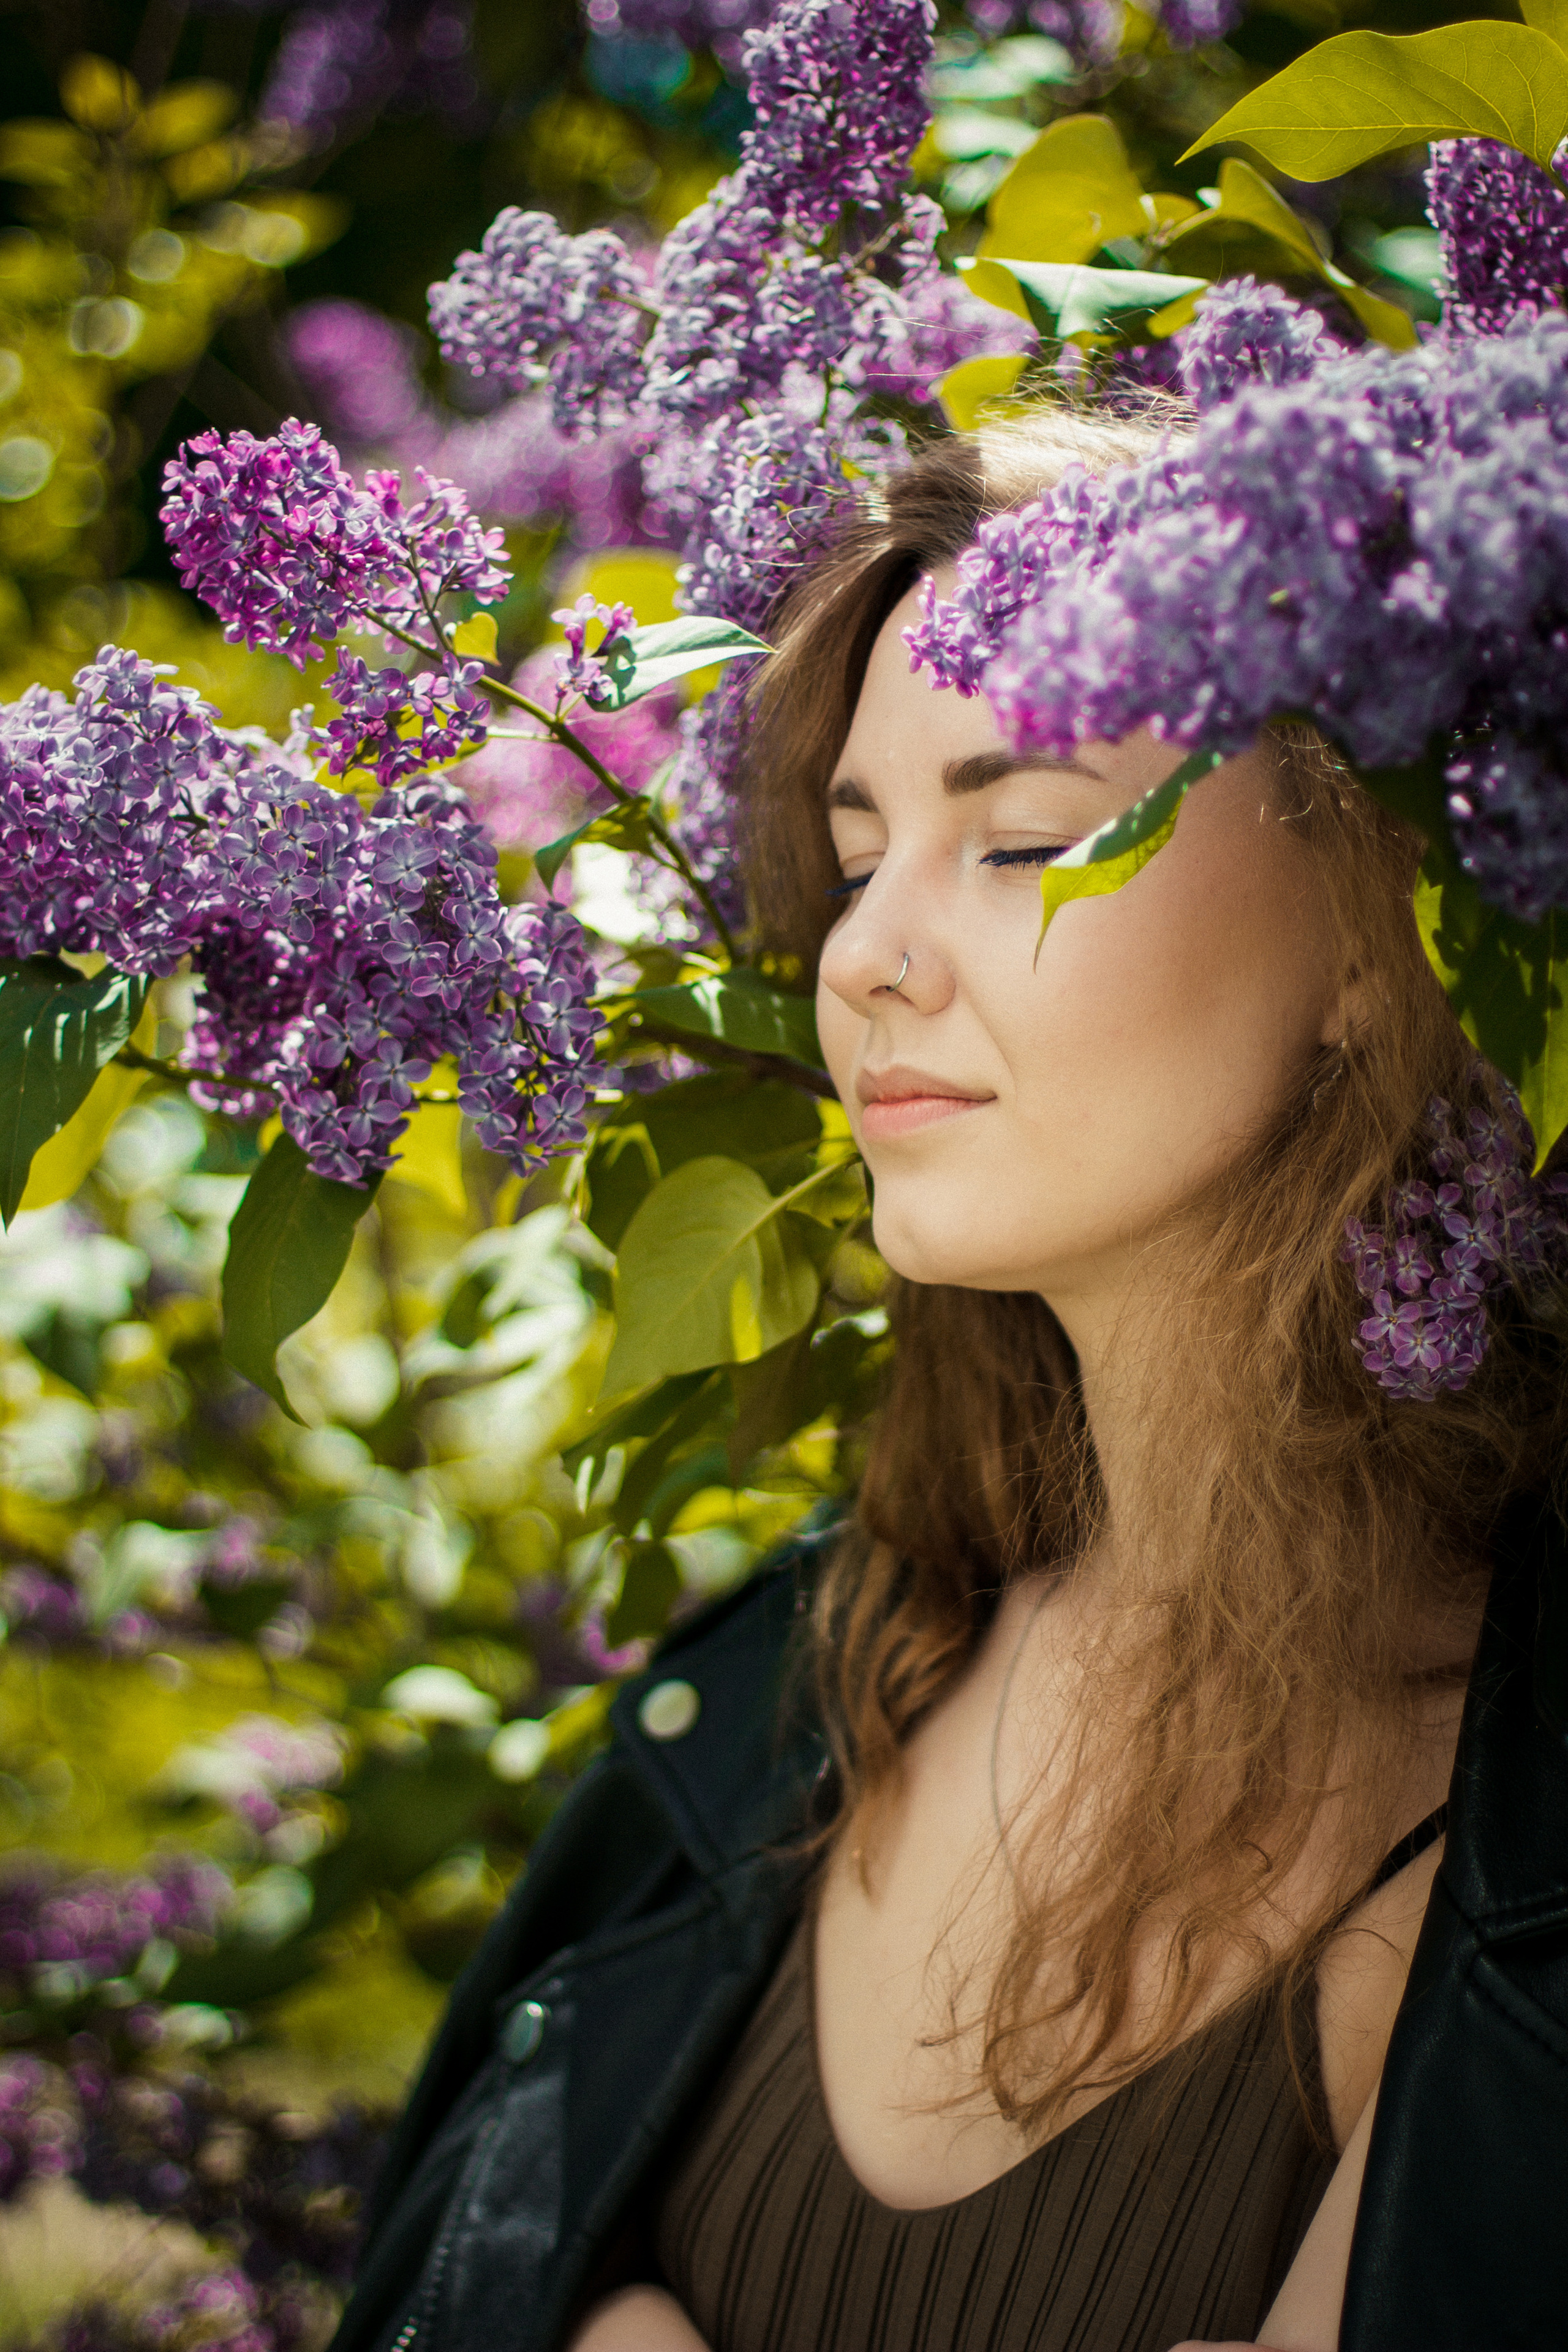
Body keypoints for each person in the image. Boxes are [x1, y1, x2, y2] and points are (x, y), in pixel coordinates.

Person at [330, 413, 1568, 2352]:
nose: (870, 957)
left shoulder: (1507, 1864)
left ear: (1374, 917)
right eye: (851, 856)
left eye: (1022, 839)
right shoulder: (792, 1682)